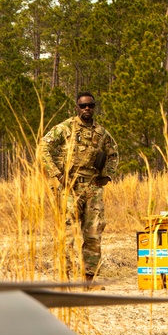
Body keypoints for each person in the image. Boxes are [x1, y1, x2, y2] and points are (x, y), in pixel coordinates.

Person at [41, 92, 118, 283]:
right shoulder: (65, 128)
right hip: (70, 187)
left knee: (93, 233)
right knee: (67, 233)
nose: (87, 108)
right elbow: (43, 147)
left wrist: (107, 176)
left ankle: (89, 280)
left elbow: (113, 154)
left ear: (94, 107)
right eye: (83, 105)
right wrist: (58, 174)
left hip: (93, 187)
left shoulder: (101, 133)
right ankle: (64, 278)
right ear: (77, 107)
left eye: (90, 105)